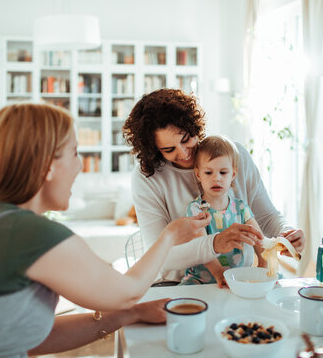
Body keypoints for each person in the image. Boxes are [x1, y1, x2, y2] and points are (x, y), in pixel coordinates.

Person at [0, 103, 210, 357]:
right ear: (48, 165)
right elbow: (127, 292)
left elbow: (27, 339)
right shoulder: (25, 233)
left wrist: (130, 316)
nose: (79, 167)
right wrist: (170, 235)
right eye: (75, 153)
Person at [122, 88, 305, 282]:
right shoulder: (147, 178)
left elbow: (266, 216)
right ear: (154, 150)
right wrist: (215, 243)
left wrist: (286, 233)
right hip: (177, 285)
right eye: (169, 149)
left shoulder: (234, 156)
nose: (184, 154)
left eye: (186, 139)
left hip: (237, 279)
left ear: (194, 127)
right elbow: (158, 256)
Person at [180, 135, 267, 288]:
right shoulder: (195, 209)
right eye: (208, 173)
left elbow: (258, 238)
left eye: (223, 172)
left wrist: (263, 264)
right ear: (198, 174)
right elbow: (202, 248)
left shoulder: (241, 207)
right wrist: (220, 275)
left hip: (235, 280)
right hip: (199, 281)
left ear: (233, 174)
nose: (216, 178)